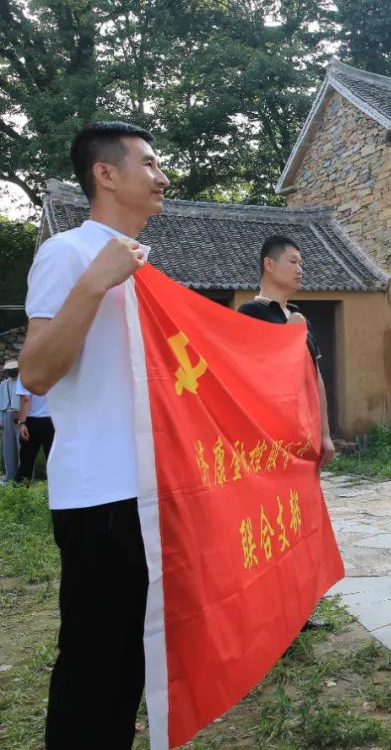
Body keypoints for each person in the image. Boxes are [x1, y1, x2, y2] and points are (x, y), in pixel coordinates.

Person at [18, 120, 166, 749]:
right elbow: (36, 371)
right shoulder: (69, 253)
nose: (162, 176)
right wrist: (94, 282)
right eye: (149, 163)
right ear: (105, 173)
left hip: (146, 490)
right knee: (93, 660)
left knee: (131, 659)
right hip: (97, 495)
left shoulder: (145, 263)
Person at [237, 234, 336, 630]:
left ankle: (299, 607)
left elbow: (314, 377)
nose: (300, 269)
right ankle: (270, 614)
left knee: (300, 523)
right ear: (269, 264)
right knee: (271, 524)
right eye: (293, 261)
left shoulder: (299, 317)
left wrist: (324, 432)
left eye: (301, 263)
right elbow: (252, 375)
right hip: (269, 442)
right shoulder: (250, 314)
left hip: (303, 437)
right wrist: (290, 335)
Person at [15, 375, 54, 482]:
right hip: (54, 420)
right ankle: (57, 490)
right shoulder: (55, 369)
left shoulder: (26, 372)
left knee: (26, 462)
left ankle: (21, 490)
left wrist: (22, 422)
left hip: (33, 421)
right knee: (54, 461)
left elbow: (26, 398)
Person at [0, 360, 20, 483]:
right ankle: (10, 477)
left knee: (22, 447)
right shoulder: (3, 385)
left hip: (20, 416)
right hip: (7, 415)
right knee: (8, 447)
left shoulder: (23, 383)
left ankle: (24, 477)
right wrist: (0, 420)